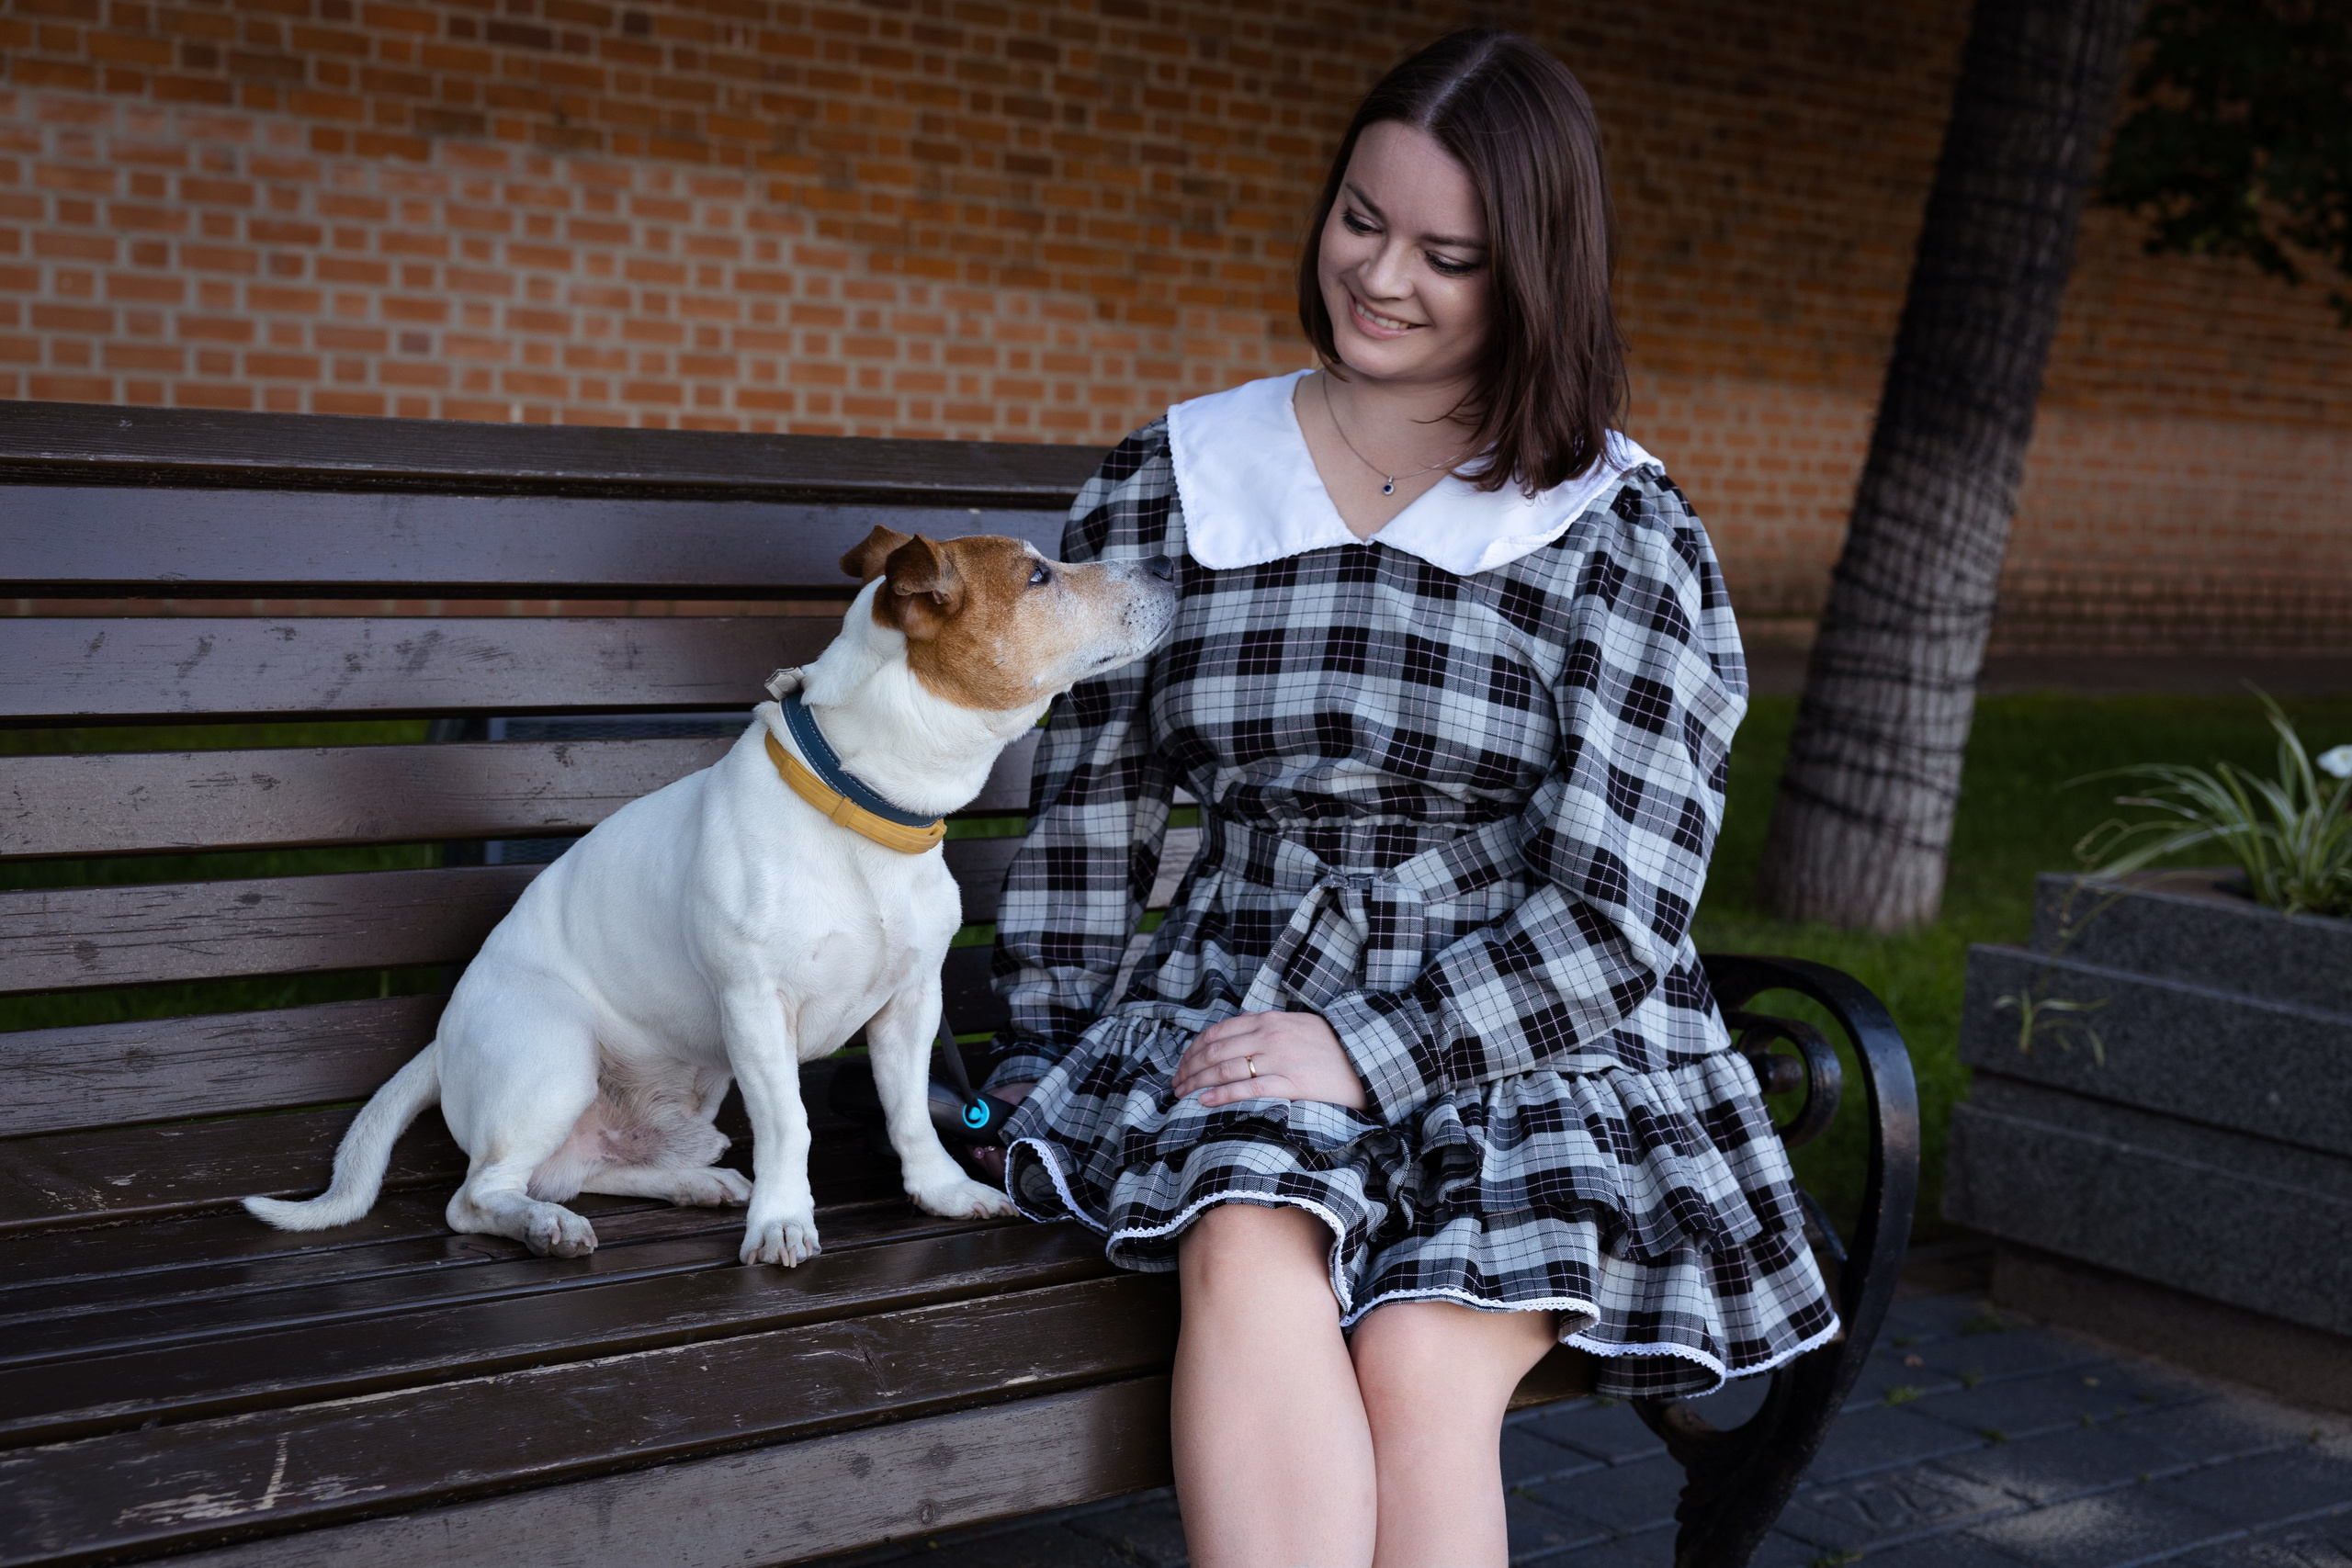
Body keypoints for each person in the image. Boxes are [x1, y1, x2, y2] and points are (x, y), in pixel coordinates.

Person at [975, 28, 1838, 1568]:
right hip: (1239, 980)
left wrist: (1371, 1049)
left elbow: (1618, 909)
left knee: (1425, 1353)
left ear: (1535, 275)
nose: (1383, 276)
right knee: (1248, 1219)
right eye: (1362, 220)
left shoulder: (1614, 531)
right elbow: (1093, 814)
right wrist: (1038, 1050)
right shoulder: (1176, 481)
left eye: (1450, 254)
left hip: (1533, 1024)